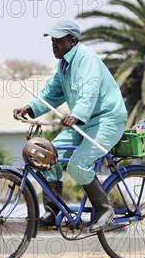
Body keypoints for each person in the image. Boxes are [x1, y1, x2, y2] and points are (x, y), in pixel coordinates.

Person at [13, 20, 128, 232]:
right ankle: (53, 211)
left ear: (72, 41)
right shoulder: (64, 64)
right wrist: (29, 108)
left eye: (58, 41)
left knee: (77, 165)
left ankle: (104, 210)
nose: (54, 45)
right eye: (52, 41)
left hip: (106, 120)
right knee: (45, 155)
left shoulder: (86, 57)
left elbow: (89, 92)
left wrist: (76, 115)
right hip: (83, 124)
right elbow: (51, 92)